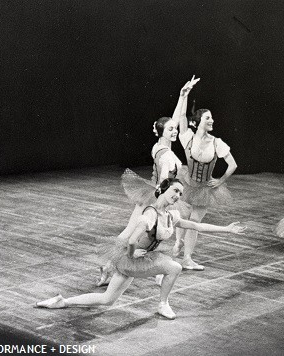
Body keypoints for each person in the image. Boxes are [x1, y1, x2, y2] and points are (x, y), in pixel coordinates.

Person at [36, 178, 246, 320]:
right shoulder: (151, 214)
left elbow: (196, 226)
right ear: (163, 190)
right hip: (133, 259)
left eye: (181, 193)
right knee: (174, 267)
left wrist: (227, 229)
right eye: (175, 190)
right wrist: (131, 253)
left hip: (139, 259)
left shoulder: (171, 215)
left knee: (107, 300)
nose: (178, 195)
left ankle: (61, 302)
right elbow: (132, 239)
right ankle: (163, 304)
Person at [96, 79, 200, 286]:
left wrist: (183, 96)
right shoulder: (168, 156)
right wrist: (160, 206)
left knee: (133, 231)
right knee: (134, 232)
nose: (174, 130)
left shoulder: (158, 146)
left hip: (150, 192)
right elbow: (164, 184)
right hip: (155, 196)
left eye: (174, 128)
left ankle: (110, 266)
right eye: (170, 129)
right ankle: (109, 265)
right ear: (162, 132)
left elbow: (171, 119)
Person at [173, 76, 238, 271]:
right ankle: (178, 241)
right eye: (208, 117)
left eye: (211, 117)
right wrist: (183, 95)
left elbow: (232, 164)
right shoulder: (187, 138)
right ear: (198, 121)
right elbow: (181, 117)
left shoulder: (217, 142)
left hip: (205, 188)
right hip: (187, 181)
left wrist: (220, 182)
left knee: (195, 221)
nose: (212, 120)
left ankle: (187, 258)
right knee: (183, 216)